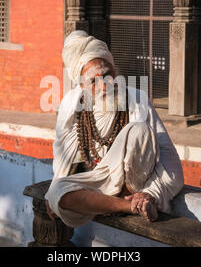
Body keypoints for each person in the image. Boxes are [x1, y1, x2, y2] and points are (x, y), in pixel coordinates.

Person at [44, 30, 184, 228]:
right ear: (82, 85)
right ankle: (126, 206)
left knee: (139, 129)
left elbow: (170, 159)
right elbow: (62, 155)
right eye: (93, 81)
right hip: (98, 182)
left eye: (108, 74)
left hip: (134, 185)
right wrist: (54, 193)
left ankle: (130, 199)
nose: (104, 86)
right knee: (57, 189)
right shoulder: (71, 104)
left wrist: (150, 193)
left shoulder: (137, 99)